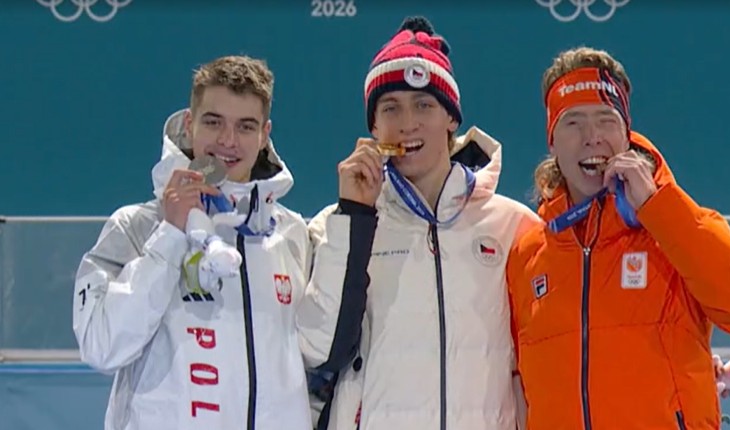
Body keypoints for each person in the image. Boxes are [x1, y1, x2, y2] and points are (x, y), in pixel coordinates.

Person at [505, 46, 730, 429]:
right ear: (552, 141)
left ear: (626, 134)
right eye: (572, 123)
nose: (591, 137)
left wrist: (658, 208)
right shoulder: (528, 252)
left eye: (606, 120)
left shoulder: (672, 223)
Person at [296, 16, 538, 430]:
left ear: (451, 119)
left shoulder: (513, 226)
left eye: (424, 105)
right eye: (391, 108)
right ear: (374, 126)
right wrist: (354, 217)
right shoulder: (336, 226)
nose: (408, 122)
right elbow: (318, 349)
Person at [73, 55, 316, 429]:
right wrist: (170, 236)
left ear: (265, 134)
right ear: (190, 124)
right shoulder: (136, 227)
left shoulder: (292, 234)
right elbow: (101, 347)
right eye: (213, 122)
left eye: (245, 126)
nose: (228, 141)